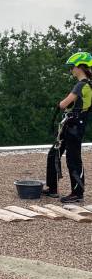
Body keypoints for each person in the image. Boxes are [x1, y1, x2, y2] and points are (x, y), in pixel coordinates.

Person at [42, 52, 92, 203]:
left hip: (74, 127)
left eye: (72, 67)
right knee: (54, 154)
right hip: (73, 125)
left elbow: (63, 104)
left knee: (73, 159)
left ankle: (77, 193)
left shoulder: (81, 85)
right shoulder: (89, 84)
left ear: (80, 67)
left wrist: (61, 104)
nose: (71, 70)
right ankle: (52, 189)